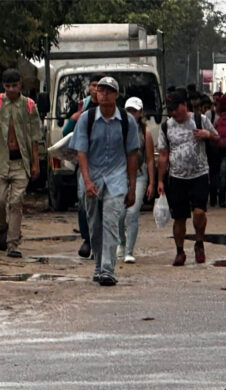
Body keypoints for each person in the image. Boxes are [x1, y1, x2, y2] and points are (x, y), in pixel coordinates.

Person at [71, 77, 139, 285]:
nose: (104, 94)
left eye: (109, 91)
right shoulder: (87, 119)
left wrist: (132, 187)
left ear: (116, 95)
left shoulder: (128, 121)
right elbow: (81, 151)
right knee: (95, 224)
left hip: (117, 178)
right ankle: (99, 265)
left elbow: (132, 155)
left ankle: (108, 269)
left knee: (111, 221)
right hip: (92, 177)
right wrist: (87, 180)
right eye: (101, 90)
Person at [0, 68, 42, 258]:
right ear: (3, 86)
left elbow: (34, 138)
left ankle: (13, 243)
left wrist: (35, 163)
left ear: (20, 85)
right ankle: (3, 227)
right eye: (8, 86)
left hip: (20, 162)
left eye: (15, 86)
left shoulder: (29, 106)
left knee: (16, 201)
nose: (12, 90)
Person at [157, 88, 219, 266]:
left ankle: (199, 242)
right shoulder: (166, 126)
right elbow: (163, 155)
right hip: (177, 178)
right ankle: (180, 251)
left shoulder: (200, 120)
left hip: (199, 175)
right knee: (179, 218)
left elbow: (218, 138)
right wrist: (160, 180)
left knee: (199, 212)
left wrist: (207, 135)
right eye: (170, 110)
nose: (173, 112)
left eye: (176, 108)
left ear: (185, 105)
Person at [63, 73, 105, 259]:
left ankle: (102, 242)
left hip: (107, 163)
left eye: (101, 86)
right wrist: (74, 119)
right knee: (83, 200)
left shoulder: (112, 110)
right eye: (94, 85)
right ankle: (87, 239)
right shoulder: (82, 107)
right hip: (85, 162)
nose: (97, 90)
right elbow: (66, 133)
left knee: (106, 203)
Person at [117, 97, 155, 263]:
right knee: (119, 214)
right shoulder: (118, 129)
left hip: (139, 176)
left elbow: (150, 159)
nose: (132, 114)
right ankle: (121, 242)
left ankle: (129, 251)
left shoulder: (145, 132)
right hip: (119, 176)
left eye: (135, 111)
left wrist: (153, 183)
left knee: (132, 213)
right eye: (129, 111)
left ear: (140, 113)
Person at [205, 93, 226, 207]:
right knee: (214, 175)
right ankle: (214, 198)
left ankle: (221, 199)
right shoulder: (210, 114)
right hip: (213, 150)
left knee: (222, 174)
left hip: (225, 150)